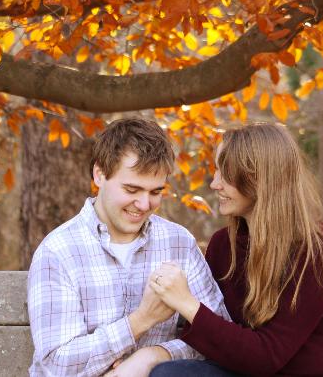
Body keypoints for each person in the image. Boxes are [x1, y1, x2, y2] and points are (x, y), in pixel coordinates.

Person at [147, 123, 323, 377]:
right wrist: (146, 354)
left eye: (225, 174)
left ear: (258, 178)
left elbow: (267, 356)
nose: (214, 184)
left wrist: (187, 303)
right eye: (216, 172)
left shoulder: (315, 251)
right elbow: (215, 335)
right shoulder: (223, 246)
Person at [28, 117, 229, 377]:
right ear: (99, 174)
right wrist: (141, 320)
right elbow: (56, 365)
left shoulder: (178, 242)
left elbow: (219, 338)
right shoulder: (59, 251)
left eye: (155, 192)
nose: (144, 204)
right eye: (132, 189)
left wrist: (151, 357)